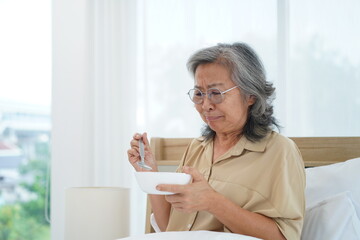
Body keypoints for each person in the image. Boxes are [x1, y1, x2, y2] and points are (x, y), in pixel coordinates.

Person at [127, 42, 305, 240]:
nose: (206, 105)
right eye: (199, 94)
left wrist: (212, 202)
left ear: (250, 96)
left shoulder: (279, 151)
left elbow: (283, 237)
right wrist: (150, 172)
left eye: (216, 93)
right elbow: (170, 227)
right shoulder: (197, 148)